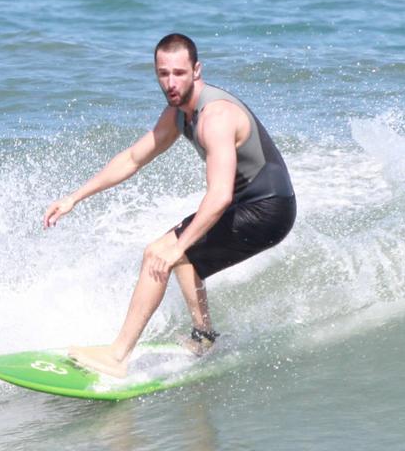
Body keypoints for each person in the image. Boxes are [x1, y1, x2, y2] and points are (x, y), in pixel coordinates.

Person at [43, 33, 296, 378]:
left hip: (269, 209)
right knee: (181, 249)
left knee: (160, 252)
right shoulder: (178, 114)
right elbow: (133, 158)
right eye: (163, 73)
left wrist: (177, 246)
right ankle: (205, 337)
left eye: (179, 73)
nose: (171, 82)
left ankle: (117, 357)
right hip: (251, 204)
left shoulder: (215, 117)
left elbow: (220, 196)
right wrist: (74, 197)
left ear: (196, 70)